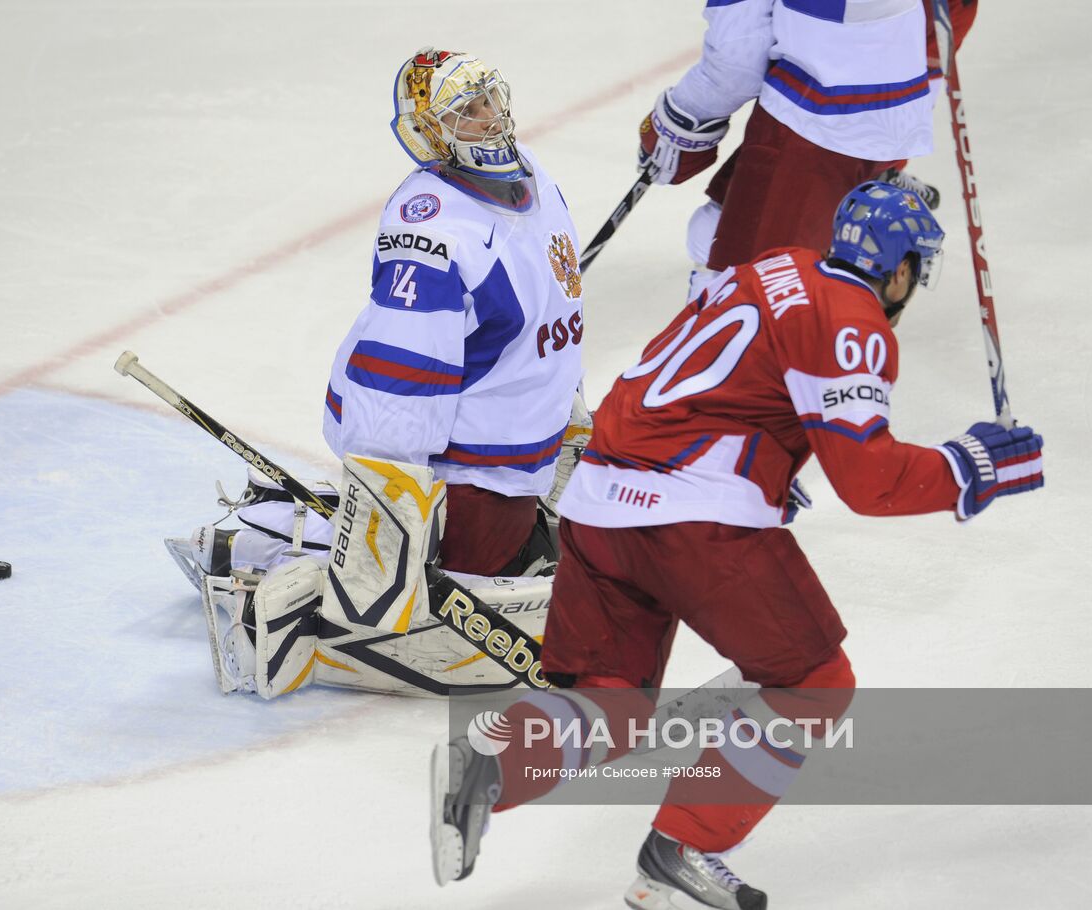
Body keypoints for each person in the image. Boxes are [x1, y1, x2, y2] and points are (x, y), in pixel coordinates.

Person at [430, 181, 1045, 907]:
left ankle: (489, 766)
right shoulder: (853, 319)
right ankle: (681, 847)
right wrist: (968, 467)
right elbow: (868, 480)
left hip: (599, 500)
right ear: (901, 271)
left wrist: (767, 462)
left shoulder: (777, 267)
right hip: (693, 515)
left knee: (613, 703)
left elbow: (724, 387)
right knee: (814, 683)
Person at [166, 47, 588, 700]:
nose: (491, 117)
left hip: (514, 443)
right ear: (430, 132)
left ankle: (303, 517)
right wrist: (389, 487)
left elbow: (557, 300)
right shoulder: (432, 228)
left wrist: (569, 397)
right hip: (466, 455)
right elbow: (401, 368)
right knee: (427, 577)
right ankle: (258, 549)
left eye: (491, 99)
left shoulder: (532, 173)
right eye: (467, 110)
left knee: (516, 562)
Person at [636, 0, 941, 292]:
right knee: (718, 225)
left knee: (745, 286)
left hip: (818, 115)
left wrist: (682, 119)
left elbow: (735, 65)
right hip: (899, 103)